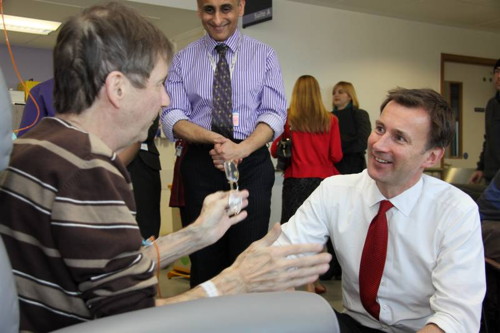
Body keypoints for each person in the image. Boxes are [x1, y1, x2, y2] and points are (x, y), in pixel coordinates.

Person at [0, 3, 331, 332]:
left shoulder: (34, 146)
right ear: (117, 88)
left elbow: (115, 272)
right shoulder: (90, 171)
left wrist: (195, 234)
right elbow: (131, 320)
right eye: (158, 84)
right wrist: (237, 280)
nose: (165, 101)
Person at [275, 88, 485, 332]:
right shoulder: (334, 191)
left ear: (431, 157)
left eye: (399, 138)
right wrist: (278, 283)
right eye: (380, 129)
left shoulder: (455, 211)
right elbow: (280, 254)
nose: (378, 145)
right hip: (355, 322)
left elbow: (456, 317)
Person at [161, 0, 287, 287]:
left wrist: (239, 149)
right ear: (198, 9)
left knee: (247, 257)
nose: (217, 19)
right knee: (204, 258)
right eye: (209, 10)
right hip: (200, 163)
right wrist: (217, 141)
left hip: (251, 162)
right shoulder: (182, 59)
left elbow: (274, 113)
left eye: (226, 8)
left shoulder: (264, 55)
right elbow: (172, 115)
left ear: (241, 7)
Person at [17, 81, 163, 239]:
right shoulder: (42, 92)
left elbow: (136, 139)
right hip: (65, 185)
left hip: (127, 173)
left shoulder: (131, 88)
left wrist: (97, 173)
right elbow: (29, 150)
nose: (165, 99)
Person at [271, 75, 342, 224]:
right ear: (317, 93)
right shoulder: (331, 120)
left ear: (296, 93)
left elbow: (273, 150)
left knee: (292, 227)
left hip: (295, 180)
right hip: (324, 181)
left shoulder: (287, 118)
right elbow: (336, 155)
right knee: (322, 227)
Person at [469, 58, 500, 185]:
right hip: (491, 176)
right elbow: (489, 139)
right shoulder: (492, 104)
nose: (499, 76)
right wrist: (480, 168)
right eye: (497, 71)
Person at [332, 81, 371, 175]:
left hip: (354, 165)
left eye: (340, 92)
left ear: (350, 96)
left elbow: (363, 141)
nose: (336, 95)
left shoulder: (359, 114)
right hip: (333, 166)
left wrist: (337, 147)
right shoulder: (327, 117)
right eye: (334, 93)